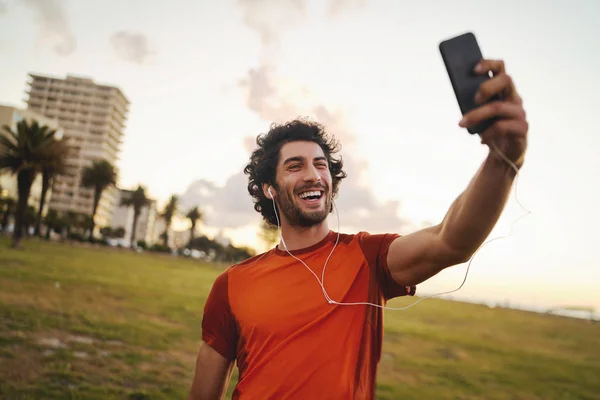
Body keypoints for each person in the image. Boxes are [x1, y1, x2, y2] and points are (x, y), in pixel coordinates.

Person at [187, 58, 528, 400]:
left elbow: (450, 241)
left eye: (321, 165)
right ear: (269, 188)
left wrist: (504, 159)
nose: (313, 174)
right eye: (295, 166)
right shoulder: (231, 285)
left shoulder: (367, 256)